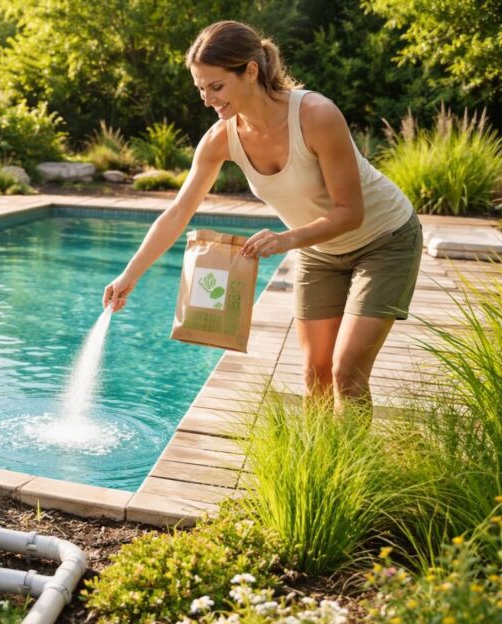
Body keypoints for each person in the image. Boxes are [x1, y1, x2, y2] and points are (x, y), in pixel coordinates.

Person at [102, 20, 421, 409]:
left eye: (216, 87)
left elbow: (350, 213)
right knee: (314, 373)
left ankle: (356, 467)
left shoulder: (316, 115)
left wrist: (285, 240)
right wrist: (129, 275)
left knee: (346, 370)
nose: (207, 100)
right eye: (200, 89)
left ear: (250, 71)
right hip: (319, 251)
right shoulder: (221, 139)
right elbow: (179, 211)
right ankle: (322, 465)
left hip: (384, 240)